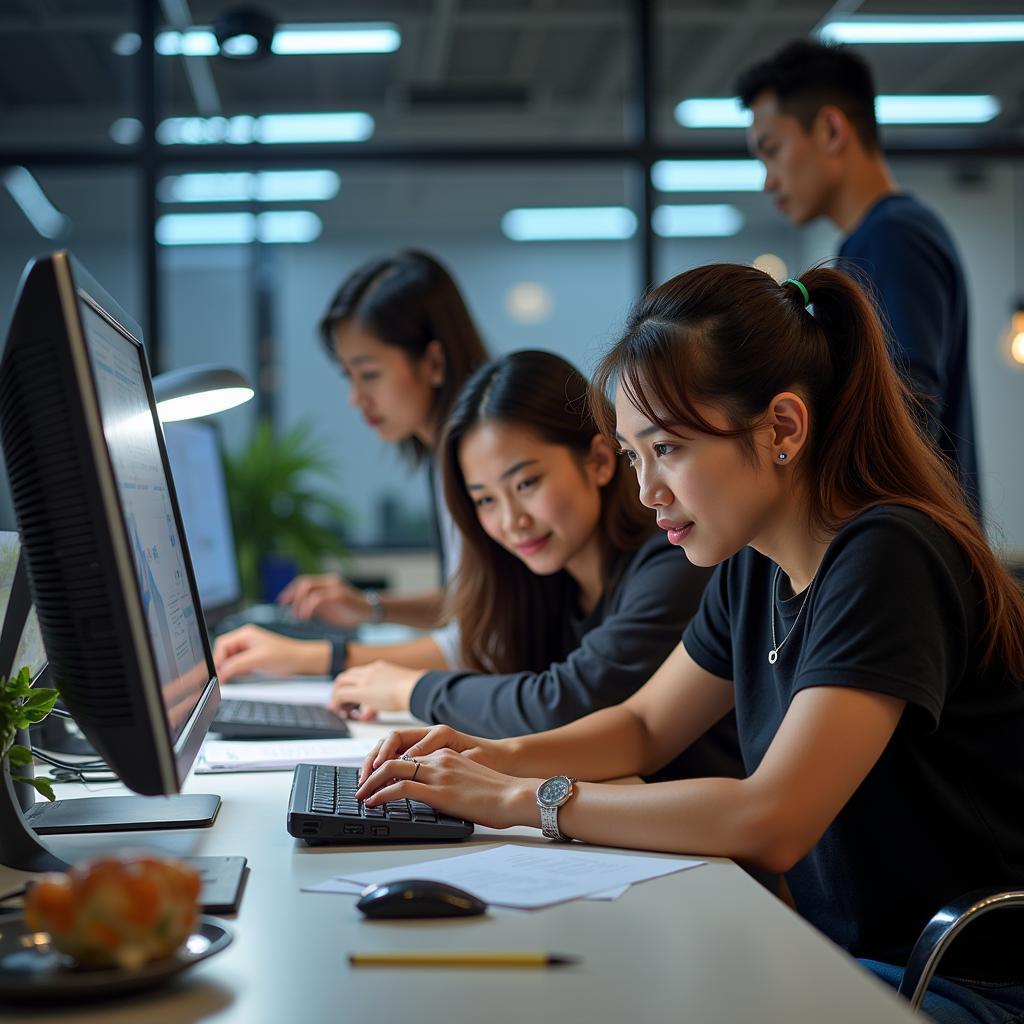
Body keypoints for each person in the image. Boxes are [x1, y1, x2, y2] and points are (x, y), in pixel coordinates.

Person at [354, 265, 1024, 1024]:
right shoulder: (753, 566)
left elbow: (771, 820)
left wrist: (520, 800)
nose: (647, 492)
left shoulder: (887, 556)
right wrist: (482, 755)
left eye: (667, 448)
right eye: (636, 456)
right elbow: (642, 727)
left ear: (782, 428)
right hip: (848, 962)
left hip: (958, 983)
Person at [327, 351, 738, 780]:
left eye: (526, 483)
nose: (511, 521)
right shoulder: (544, 583)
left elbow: (561, 703)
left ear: (598, 461)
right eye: (485, 499)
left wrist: (408, 688)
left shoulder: (675, 561)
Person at [214, 250, 489, 679]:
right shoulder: (445, 455)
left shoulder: (484, 457)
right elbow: (474, 599)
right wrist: (369, 608)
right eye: (349, 376)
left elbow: (484, 639)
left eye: (369, 374)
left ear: (434, 362)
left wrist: (311, 659)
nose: (356, 398)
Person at [736, 40, 979, 514]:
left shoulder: (893, 237)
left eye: (772, 151)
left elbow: (904, 413)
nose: (767, 179)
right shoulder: (874, 240)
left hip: (902, 545)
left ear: (829, 129)